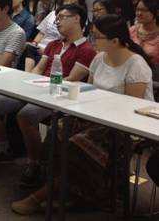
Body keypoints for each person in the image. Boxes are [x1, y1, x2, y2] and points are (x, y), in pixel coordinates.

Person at [12, 14, 153, 215]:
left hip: (123, 126)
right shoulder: (99, 58)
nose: (92, 41)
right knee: (57, 131)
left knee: (78, 145)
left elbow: (130, 108)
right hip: (96, 116)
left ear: (115, 41)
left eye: (97, 37)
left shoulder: (135, 65)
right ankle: (66, 189)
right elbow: (91, 91)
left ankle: (46, 194)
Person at [0, 4, 96, 185]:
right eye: (57, 19)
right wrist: (29, 81)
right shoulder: (53, 44)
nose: (58, 22)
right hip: (37, 88)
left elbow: (72, 79)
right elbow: (39, 68)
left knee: (26, 115)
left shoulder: (86, 49)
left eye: (62, 17)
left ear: (77, 19)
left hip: (59, 95)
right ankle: (3, 148)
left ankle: (34, 163)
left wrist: (42, 85)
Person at [25, 0, 84, 72]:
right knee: (29, 47)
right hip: (42, 47)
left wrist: (46, 51)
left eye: (72, 2)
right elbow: (42, 32)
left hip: (54, 52)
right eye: (66, 0)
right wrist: (35, 43)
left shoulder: (77, 22)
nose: (68, 3)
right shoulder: (53, 14)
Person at [130, 0, 159, 66]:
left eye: (144, 10)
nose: (139, 13)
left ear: (157, 12)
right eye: (137, 9)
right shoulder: (132, 31)